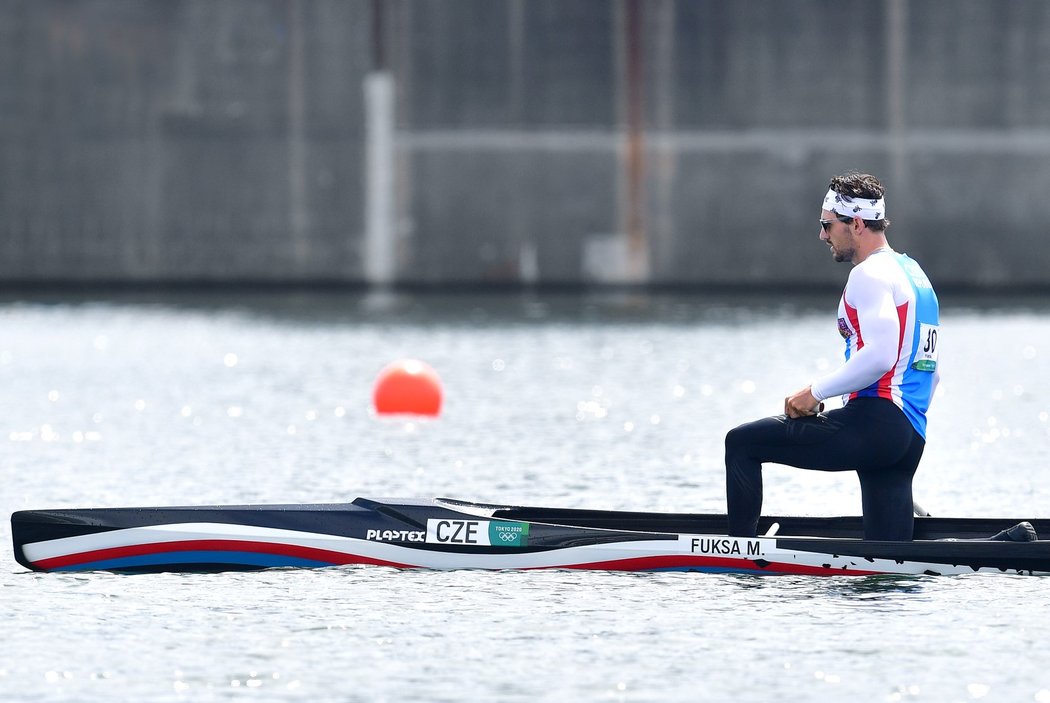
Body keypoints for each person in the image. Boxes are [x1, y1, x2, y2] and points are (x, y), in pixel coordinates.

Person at [725, 171, 940, 541]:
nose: (822, 235)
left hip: (874, 424)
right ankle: (1008, 547)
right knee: (889, 561)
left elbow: (880, 356)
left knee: (742, 443)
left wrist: (815, 393)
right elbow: (932, 373)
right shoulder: (915, 275)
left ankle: (736, 552)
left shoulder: (869, 275)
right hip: (909, 433)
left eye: (828, 224)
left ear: (855, 224)